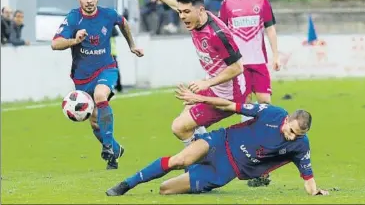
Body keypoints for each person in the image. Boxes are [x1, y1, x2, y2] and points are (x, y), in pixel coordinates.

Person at [105, 84, 329, 196]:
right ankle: (126, 184)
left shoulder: (300, 146)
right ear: (287, 119)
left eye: (296, 135)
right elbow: (231, 106)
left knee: (165, 190)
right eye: (290, 130)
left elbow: (308, 177)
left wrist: (316, 191)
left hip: (225, 172)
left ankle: (197, 170)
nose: (291, 137)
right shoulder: (272, 113)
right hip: (220, 143)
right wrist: (199, 98)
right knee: (179, 160)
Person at [141, 0, 247, 148]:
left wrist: (206, 83)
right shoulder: (195, 17)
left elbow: (238, 68)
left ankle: (203, 161)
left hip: (228, 96)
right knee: (189, 122)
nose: (182, 16)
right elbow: (177, 4)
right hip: (213, 87)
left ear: (201, 11)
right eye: (180, 12)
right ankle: (208, 154)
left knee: (179, 127)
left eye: (186, 12)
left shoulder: (217, 34)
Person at [51, 0, 144, 169]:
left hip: (106, 69)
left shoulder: (108, 14)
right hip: (82, 76)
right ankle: (114, 152)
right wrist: (74, 40)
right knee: (94, 122)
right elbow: (55, 44)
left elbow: (123, 23)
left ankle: (108, 146)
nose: (89, 0)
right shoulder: (73, 18)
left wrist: (132, 45)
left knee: (101, 95)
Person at [219, 0, 281, 186]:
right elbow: (222, 35)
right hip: (239, 66)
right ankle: (251, 161)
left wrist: (276, 55)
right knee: (245, 108)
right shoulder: (227, 4)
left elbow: (270, 29)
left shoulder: (262, 2)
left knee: (266, 106)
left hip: (259, 64)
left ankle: (265, 156)